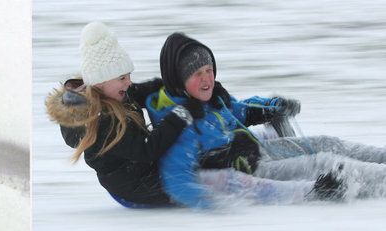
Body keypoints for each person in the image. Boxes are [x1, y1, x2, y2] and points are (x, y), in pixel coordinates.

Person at [146, 32, 386, 208]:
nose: (207, 78)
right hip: (252, 169)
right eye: (197, 74)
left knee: (326, 142)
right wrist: (212, 204)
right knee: (323, 163)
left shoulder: (211, 99)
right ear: (178, 79)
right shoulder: (178, 121)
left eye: (209, 69)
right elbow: (175, 178)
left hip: (258, 150)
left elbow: (240, 110)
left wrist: (270, 107)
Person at [45, 22, 193, 207]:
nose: (129, 83)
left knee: (192, 151)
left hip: (141, 169)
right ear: (99, 83)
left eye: (128, 75)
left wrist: (172, 84)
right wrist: (180, 115)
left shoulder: (113, 93)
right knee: (197, 172)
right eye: (122, 78)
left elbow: (140, 91)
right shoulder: (104, 122)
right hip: (136, 186)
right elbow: (147, 149)